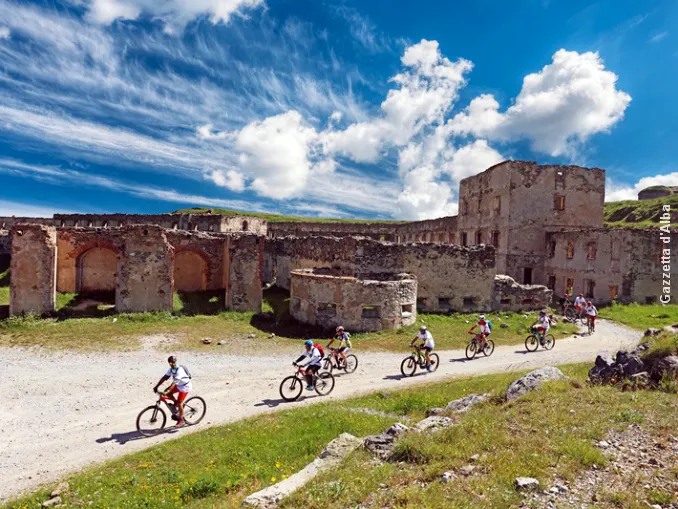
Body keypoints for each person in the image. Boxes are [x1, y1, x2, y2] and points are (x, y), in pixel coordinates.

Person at [153, 355, 192, 428]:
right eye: (170, 363)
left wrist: (168, 391)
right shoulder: (171, 369)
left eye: (173, 362)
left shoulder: (179, 370)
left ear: (175, 362)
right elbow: (164, 378)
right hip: (179, 384)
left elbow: (174, 383)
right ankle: (175, 402)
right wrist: (156, 386)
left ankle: (181, 420)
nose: (172, 364)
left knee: (180, 403)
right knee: (167, 392)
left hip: (185, 386)